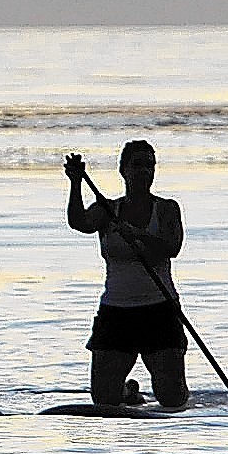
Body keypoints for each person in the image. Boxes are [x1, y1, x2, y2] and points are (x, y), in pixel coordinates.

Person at [64, 139, 190, 409]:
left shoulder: (167, 208)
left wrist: (139, 234)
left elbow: (172, 247)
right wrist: (75, 183)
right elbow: (79, 223)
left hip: (159, 308)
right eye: (137, 165)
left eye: (149, 165)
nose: (144, 171)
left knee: (172, 397)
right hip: (117, 310)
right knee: (104, 400)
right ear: (123, 170)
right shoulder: (108, 211)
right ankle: (129, 394)